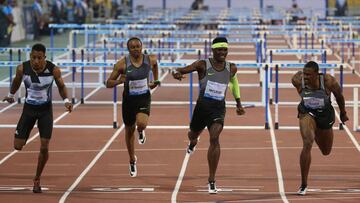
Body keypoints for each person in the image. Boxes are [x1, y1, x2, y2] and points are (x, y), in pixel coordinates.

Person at [172, 37, 245, 194]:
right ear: (212, 50)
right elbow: (180, 70)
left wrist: (239, 103)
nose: (222, 52)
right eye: (219, 49)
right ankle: (193, 142)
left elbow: (234, 83)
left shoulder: (231, 67)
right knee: (192, 133)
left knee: (214, 138)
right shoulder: (202, 64)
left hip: (218, 109)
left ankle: (211, 179)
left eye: (225, 49)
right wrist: (175, 73)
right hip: (202, 108)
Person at [2, 43, 73, 193]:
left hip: (45, 111)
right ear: (30, 57)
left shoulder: (54, 70)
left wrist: (66, 101)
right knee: (17, 146)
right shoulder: (23, 68)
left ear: (44, 58)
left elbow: (61, 86)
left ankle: (37, 178)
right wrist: (10, 95)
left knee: (44, 146)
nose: (36, 61)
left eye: (39, 58)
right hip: (29, 110)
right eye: (33, 57)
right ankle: (24, 135)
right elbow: (16, 81)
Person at [291, 61, 349, 195]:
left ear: (317, 75)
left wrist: (343, 113)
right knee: (307, 142)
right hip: (307, 112)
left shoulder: (329, 81)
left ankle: (316, 129)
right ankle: (303, 184)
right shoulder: (297, 80)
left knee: (326, 151)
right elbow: (299, 80)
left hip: (325, 115)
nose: (305, 77)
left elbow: (339, 97)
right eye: (304, 74)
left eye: (309, 75)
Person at [106, 37, 160, 177]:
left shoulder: (150, 59)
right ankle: (132, 159)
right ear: (128, 49)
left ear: (142, 47)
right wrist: (119, 81)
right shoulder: (121, 65)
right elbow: (108, 83)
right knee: (129, 131)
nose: (136, 49)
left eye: (138, 46)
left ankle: (141, 130)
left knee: (141, 124)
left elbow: (155, 66)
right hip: (129, 101)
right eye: (133, 47)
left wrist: (155, 79)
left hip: (143, 98)